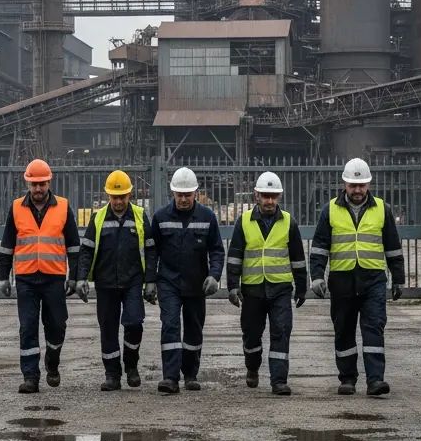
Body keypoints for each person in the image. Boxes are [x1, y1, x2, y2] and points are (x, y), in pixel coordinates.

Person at [310, 157, 405, 397]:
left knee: (374, 328)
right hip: (341, 280)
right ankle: (348, 379)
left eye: (362, 185)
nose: (358, 190)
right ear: (344, 184)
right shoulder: (329, 209)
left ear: (369, 184)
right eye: (353, 185)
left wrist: (398, 278)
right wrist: (317, 276)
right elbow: (320, 246)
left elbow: (393, 247)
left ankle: (375, 380)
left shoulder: (382, 209)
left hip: (373, 279)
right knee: (343, 329)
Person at [0, 158, 81, 393]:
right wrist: (4, 276)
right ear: (27, 184)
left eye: (42, 184)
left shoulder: (63, 207)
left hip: (54, 278)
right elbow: (7, 245)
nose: (38, 189)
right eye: (34, 184)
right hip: (26, 279)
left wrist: (73, 277)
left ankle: (52, 363)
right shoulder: (16, 208)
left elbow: (74, 246)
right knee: (28, 327)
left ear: (49, 182)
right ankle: (30, 377)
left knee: (57, 325)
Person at [226, 171, 308, 395]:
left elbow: (298, 258)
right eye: (265, 196)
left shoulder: (289, 222)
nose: (269, 201)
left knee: (281, 331)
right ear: (256, 196)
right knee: (251, 334)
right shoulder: (244, 222)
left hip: (280, 288)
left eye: (273, 196)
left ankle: (278, 380)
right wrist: (233, 286)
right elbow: (234, 257)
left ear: (279, 197)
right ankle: (252, 367)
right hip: (252, 290)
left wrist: (302, 287)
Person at [77, 169, 158, 391]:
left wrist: (150, 280)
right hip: (105, 284)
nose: (119, 201)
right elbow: (87, 251)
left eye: (122, 197)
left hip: (132, 282)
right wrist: (81, 278)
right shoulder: (99, 218)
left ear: (130, 195)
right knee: (108, 329)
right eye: (115, 197)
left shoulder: (140, 216)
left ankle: (131, 366)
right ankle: (112, 374)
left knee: (134, 323)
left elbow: (151, 251)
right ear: (108, 196)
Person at [147, 166, 224, 394]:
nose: (183, 199)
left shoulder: (207, 217)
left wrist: (214, 275)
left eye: (187, 195)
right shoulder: (160, 218)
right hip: (168, 282)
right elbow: (152, 252)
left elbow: (217, 250)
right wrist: (150, 281)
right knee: (170, 326)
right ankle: (170, 378)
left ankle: (190, 374)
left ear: (196, 193)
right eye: (179, 195)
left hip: (196, 283)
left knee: (194, 329)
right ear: (173, 193)